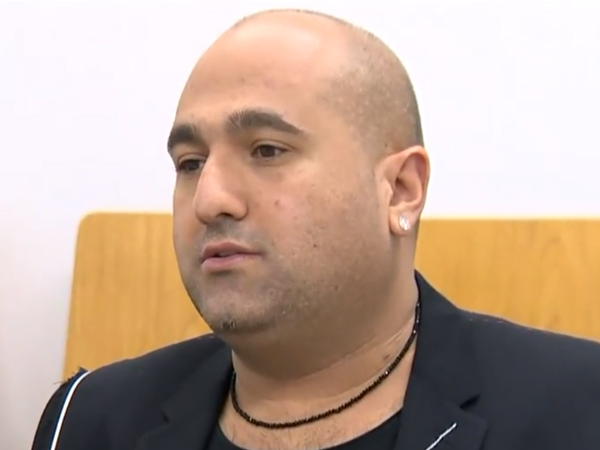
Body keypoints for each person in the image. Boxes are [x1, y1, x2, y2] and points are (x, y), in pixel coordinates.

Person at [32, 8, 600, 450]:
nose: (209, 199)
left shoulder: (579, 409)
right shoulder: (89, 420)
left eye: (266, 150)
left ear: (401, 189)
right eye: (190, 163)